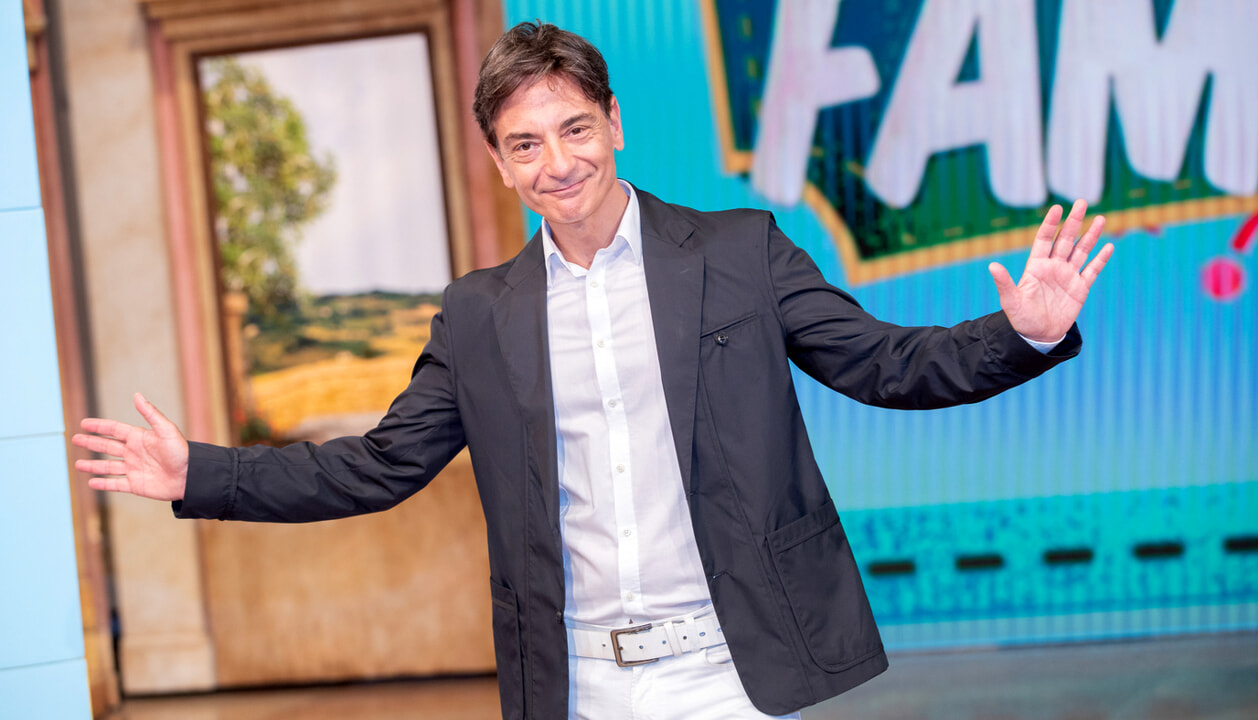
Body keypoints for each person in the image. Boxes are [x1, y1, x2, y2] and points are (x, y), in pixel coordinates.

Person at [74, 21, 1113, 720]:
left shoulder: (738, 253)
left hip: (728, 668)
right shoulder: (479, 316)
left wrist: (1018, 332)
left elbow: (886, 364)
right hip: (578, 684)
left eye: (574, 129)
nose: (557, 162)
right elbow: (379, 465)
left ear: (613, 123)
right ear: (498, 162)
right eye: (525, 144)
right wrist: (200, 473)